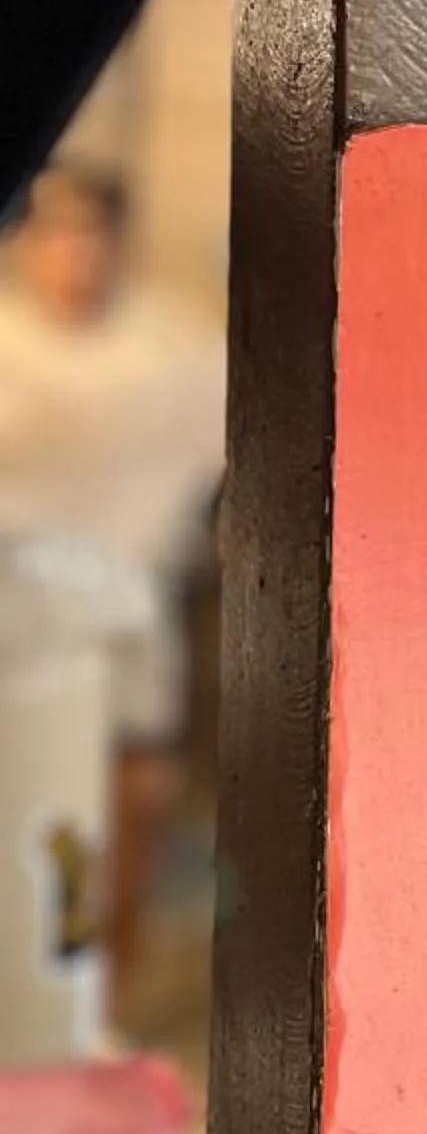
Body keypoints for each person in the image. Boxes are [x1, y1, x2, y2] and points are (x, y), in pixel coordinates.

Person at [0, 167, 225, 997]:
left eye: (87, 231)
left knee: (135, 796)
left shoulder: (170, 345)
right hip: (11, 617)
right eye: (52, 230)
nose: (71, 252)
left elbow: (228, 452)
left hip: (129, 614)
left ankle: (110, 988)